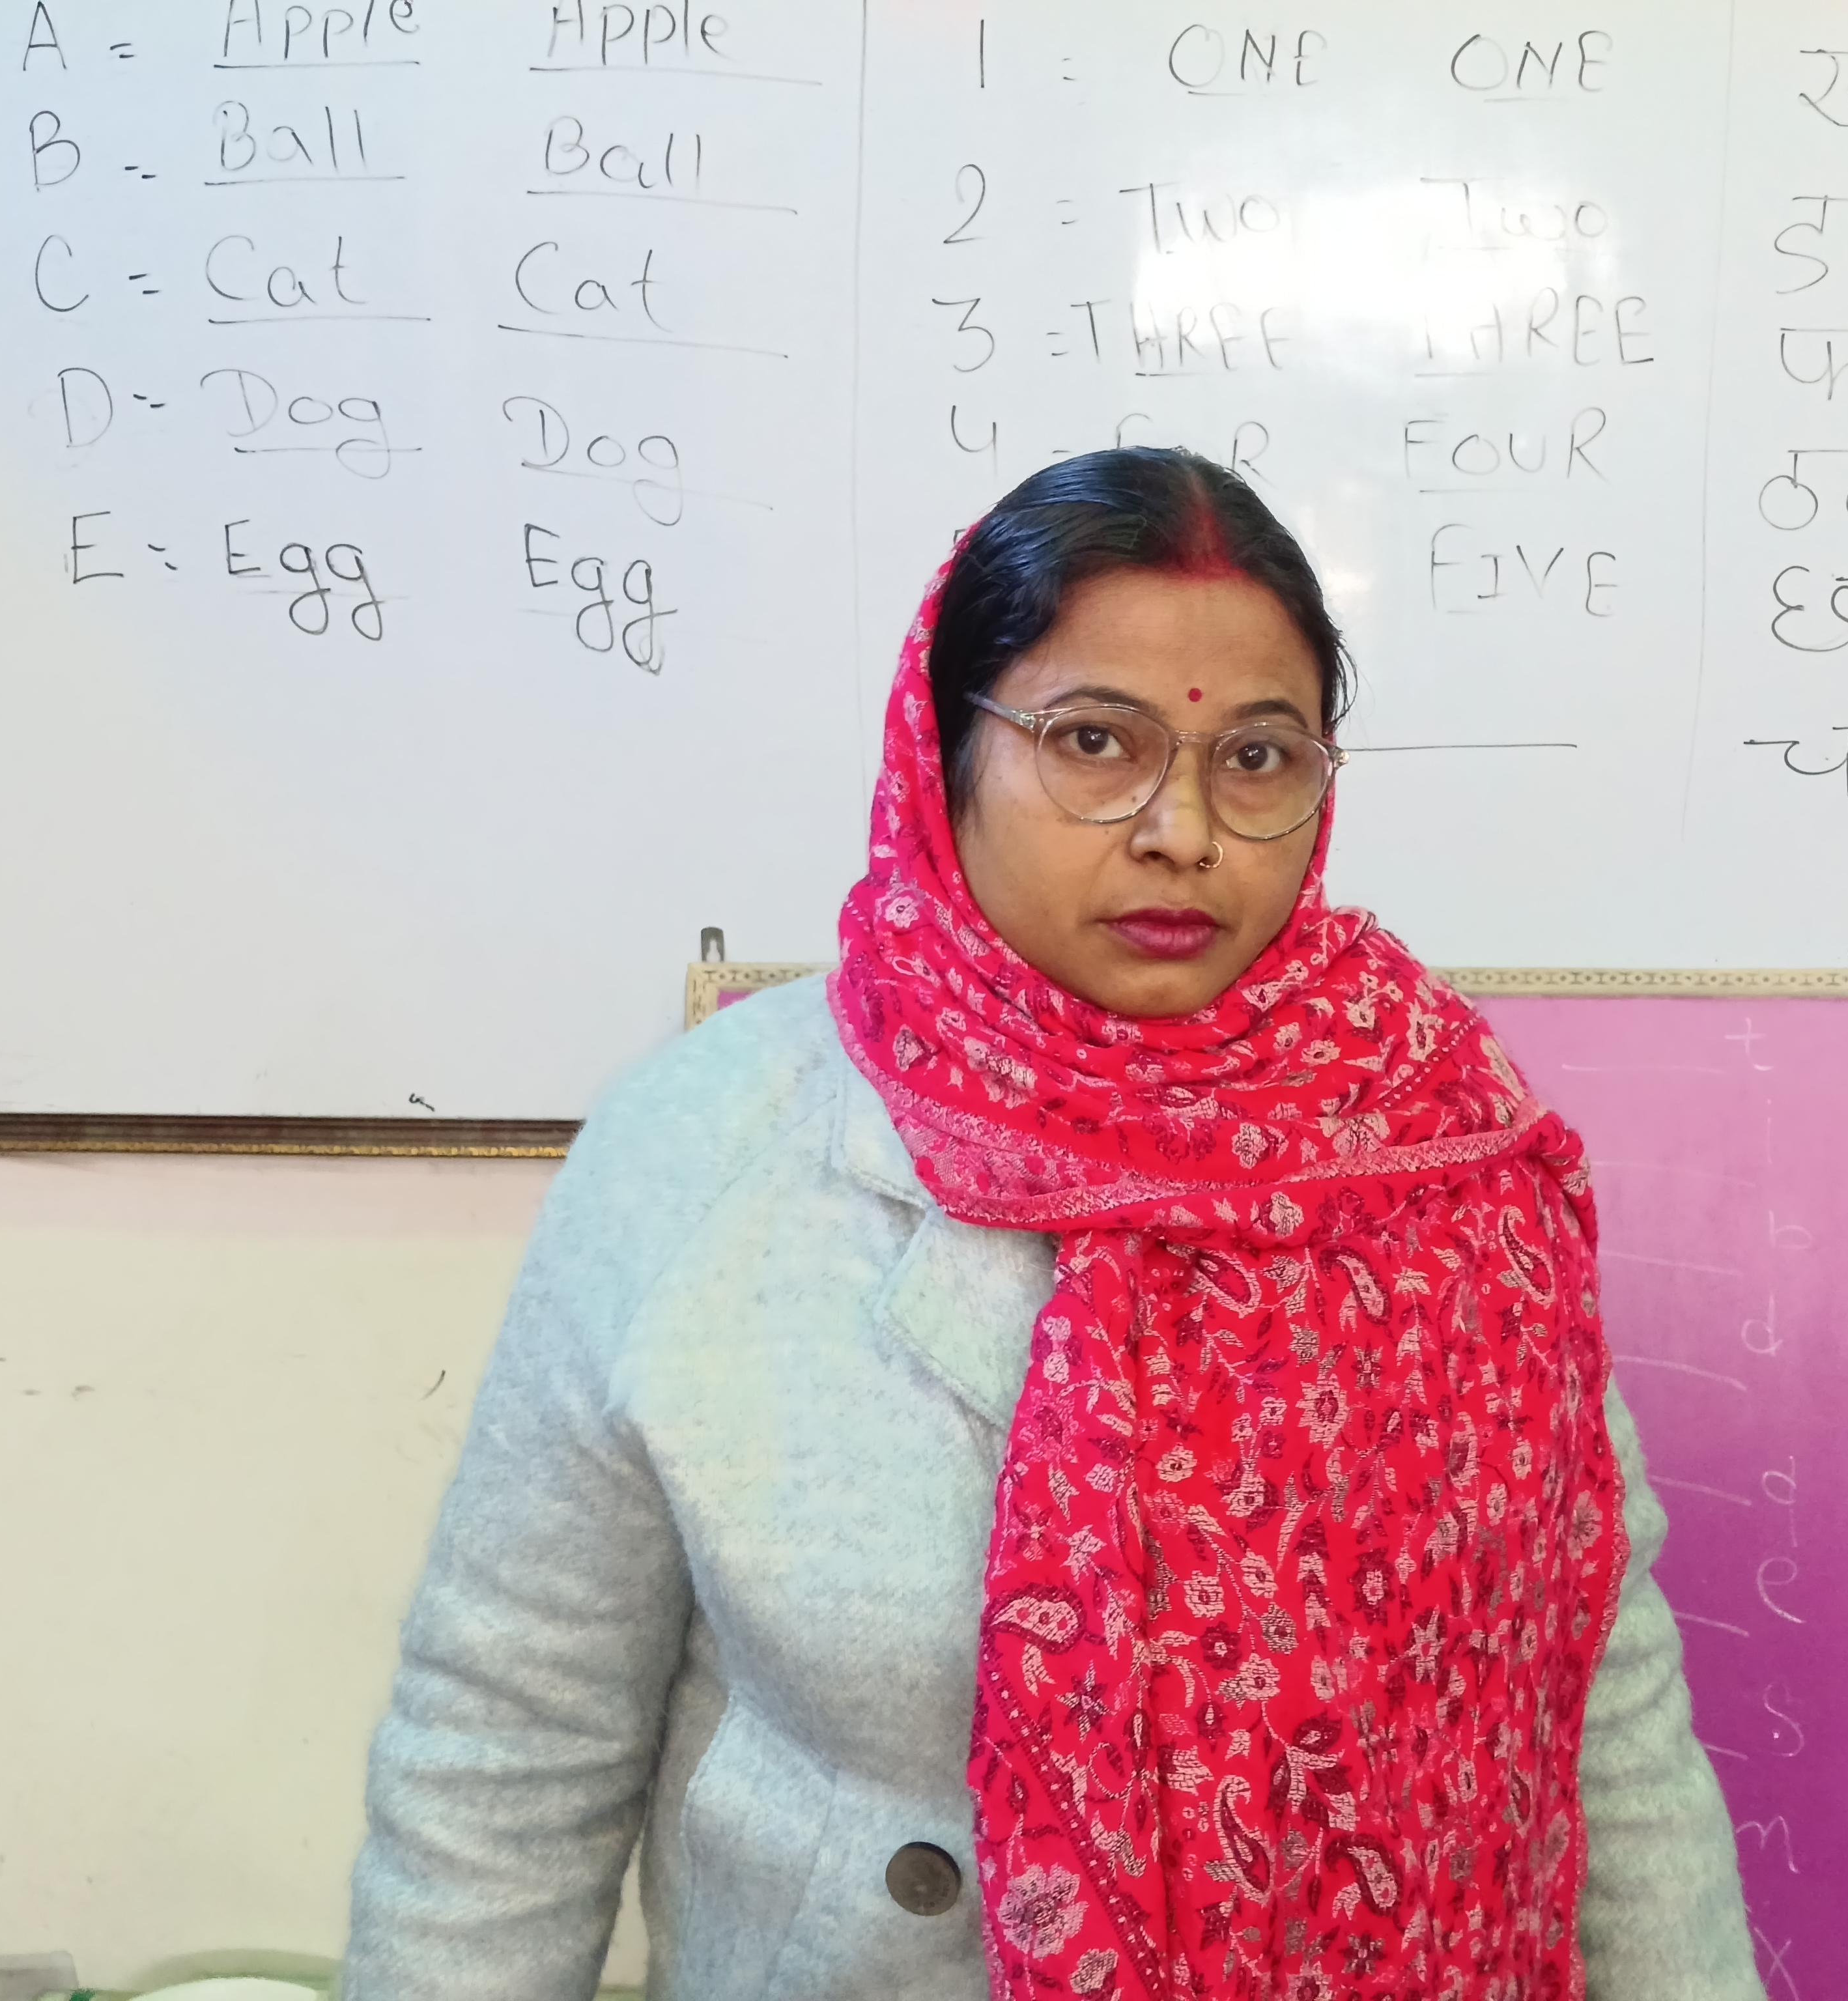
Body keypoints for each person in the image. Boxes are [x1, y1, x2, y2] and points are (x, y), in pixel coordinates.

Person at [343, 449, 1761, 1999]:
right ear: (945, 747)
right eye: (1094, 742)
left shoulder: (1438, 1152)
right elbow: (508, 1747)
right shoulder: (706, 1151)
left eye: (1257, 757)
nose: (1182, 831)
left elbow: (1601, 1709)